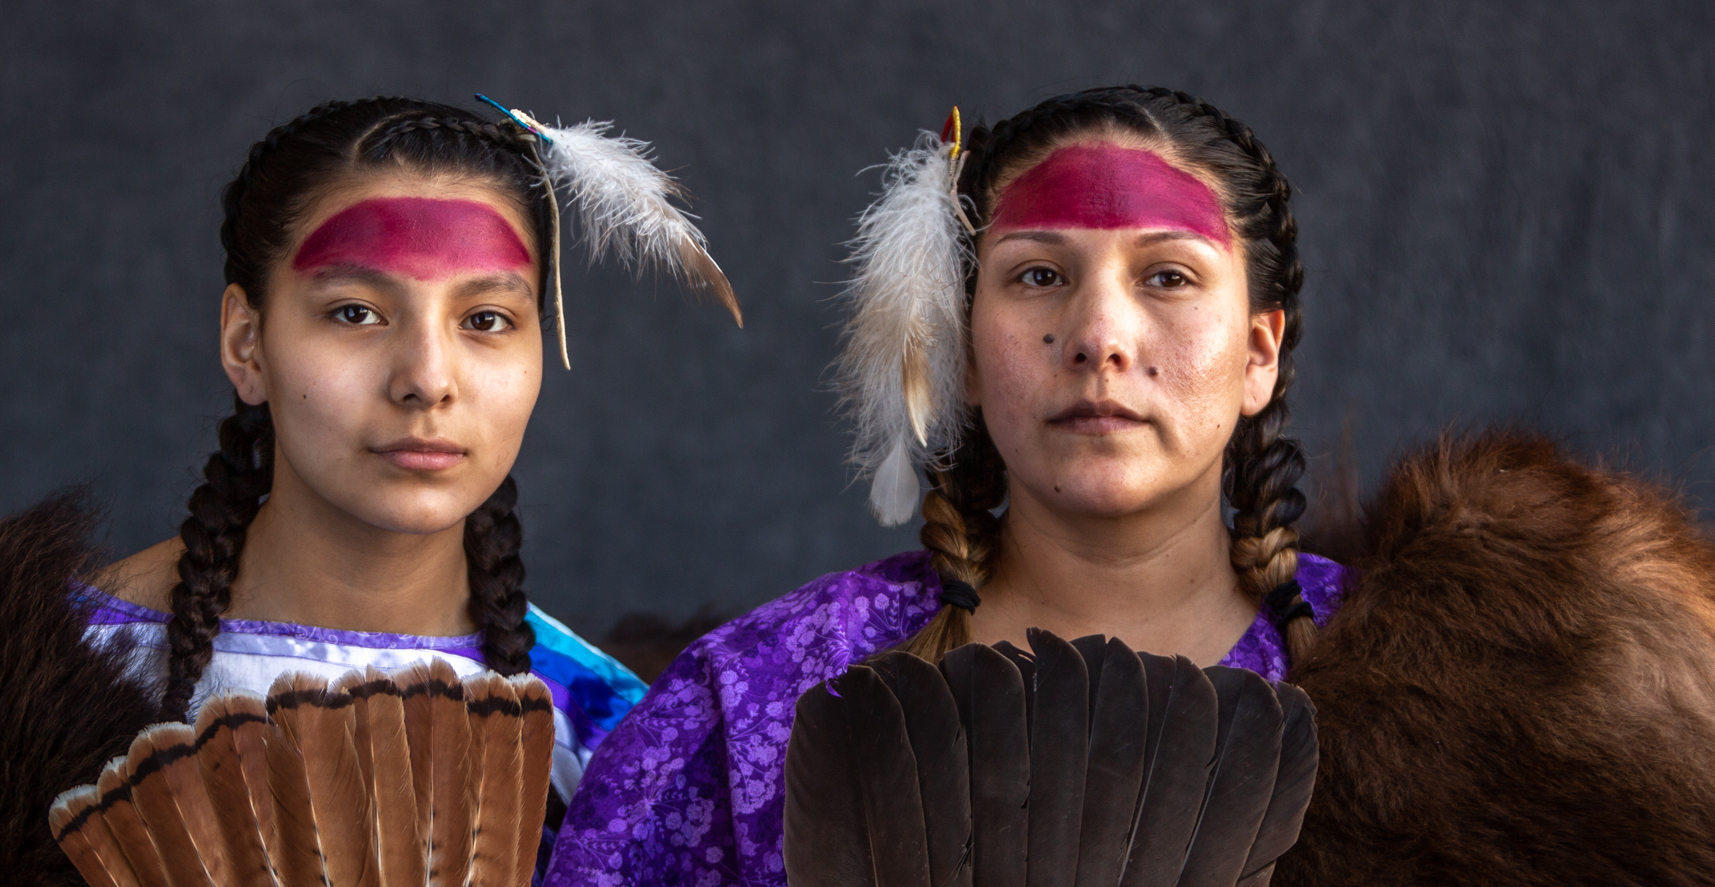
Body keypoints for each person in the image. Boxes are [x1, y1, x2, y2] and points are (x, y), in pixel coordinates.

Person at [548, 86, 1715, 887]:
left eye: (1165, 276)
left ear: (1258, 354)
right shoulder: (753, 700)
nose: (1099, 332)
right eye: (1038, 275)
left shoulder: (1467, 708)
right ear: (960, 342)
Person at [0, 94, 735, 886]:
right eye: (356, 311)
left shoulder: (616, 744)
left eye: (485, 320)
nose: (427, 379)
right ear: (246, 343)